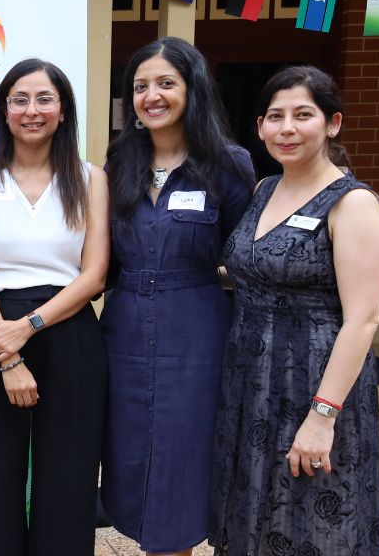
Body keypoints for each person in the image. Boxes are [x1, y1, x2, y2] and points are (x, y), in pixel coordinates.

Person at [210, 66, 379, 555]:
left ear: (332, 124)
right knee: (255, 513)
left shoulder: (352, 204)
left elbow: (364, 319)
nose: (286, 128)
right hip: (251, 382)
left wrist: (323, 416)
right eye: (275, 116)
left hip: (313, 382)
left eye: (302, 115)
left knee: (312, 518)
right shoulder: (265, 190)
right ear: (261, 127)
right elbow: (255, 271)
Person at [99, 37, 256, 556]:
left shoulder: (229, 165)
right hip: (123, 330)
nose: (152, 95)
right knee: (130, 453)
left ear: (193, 89)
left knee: (184, 456)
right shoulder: (119, 161)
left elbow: (243, 256)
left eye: (166, 83)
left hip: (197, 333)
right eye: (141, 86)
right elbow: (104, 259)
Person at [0, 58, 109, 555]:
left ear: (63, 111)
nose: (31, 110)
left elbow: (94, 275)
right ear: (3, 111)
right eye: (19, 100)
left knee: (69, 476)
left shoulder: (90, 179)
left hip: (69, 334)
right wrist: (10, 351)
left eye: (44, 99)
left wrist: (32, 326)